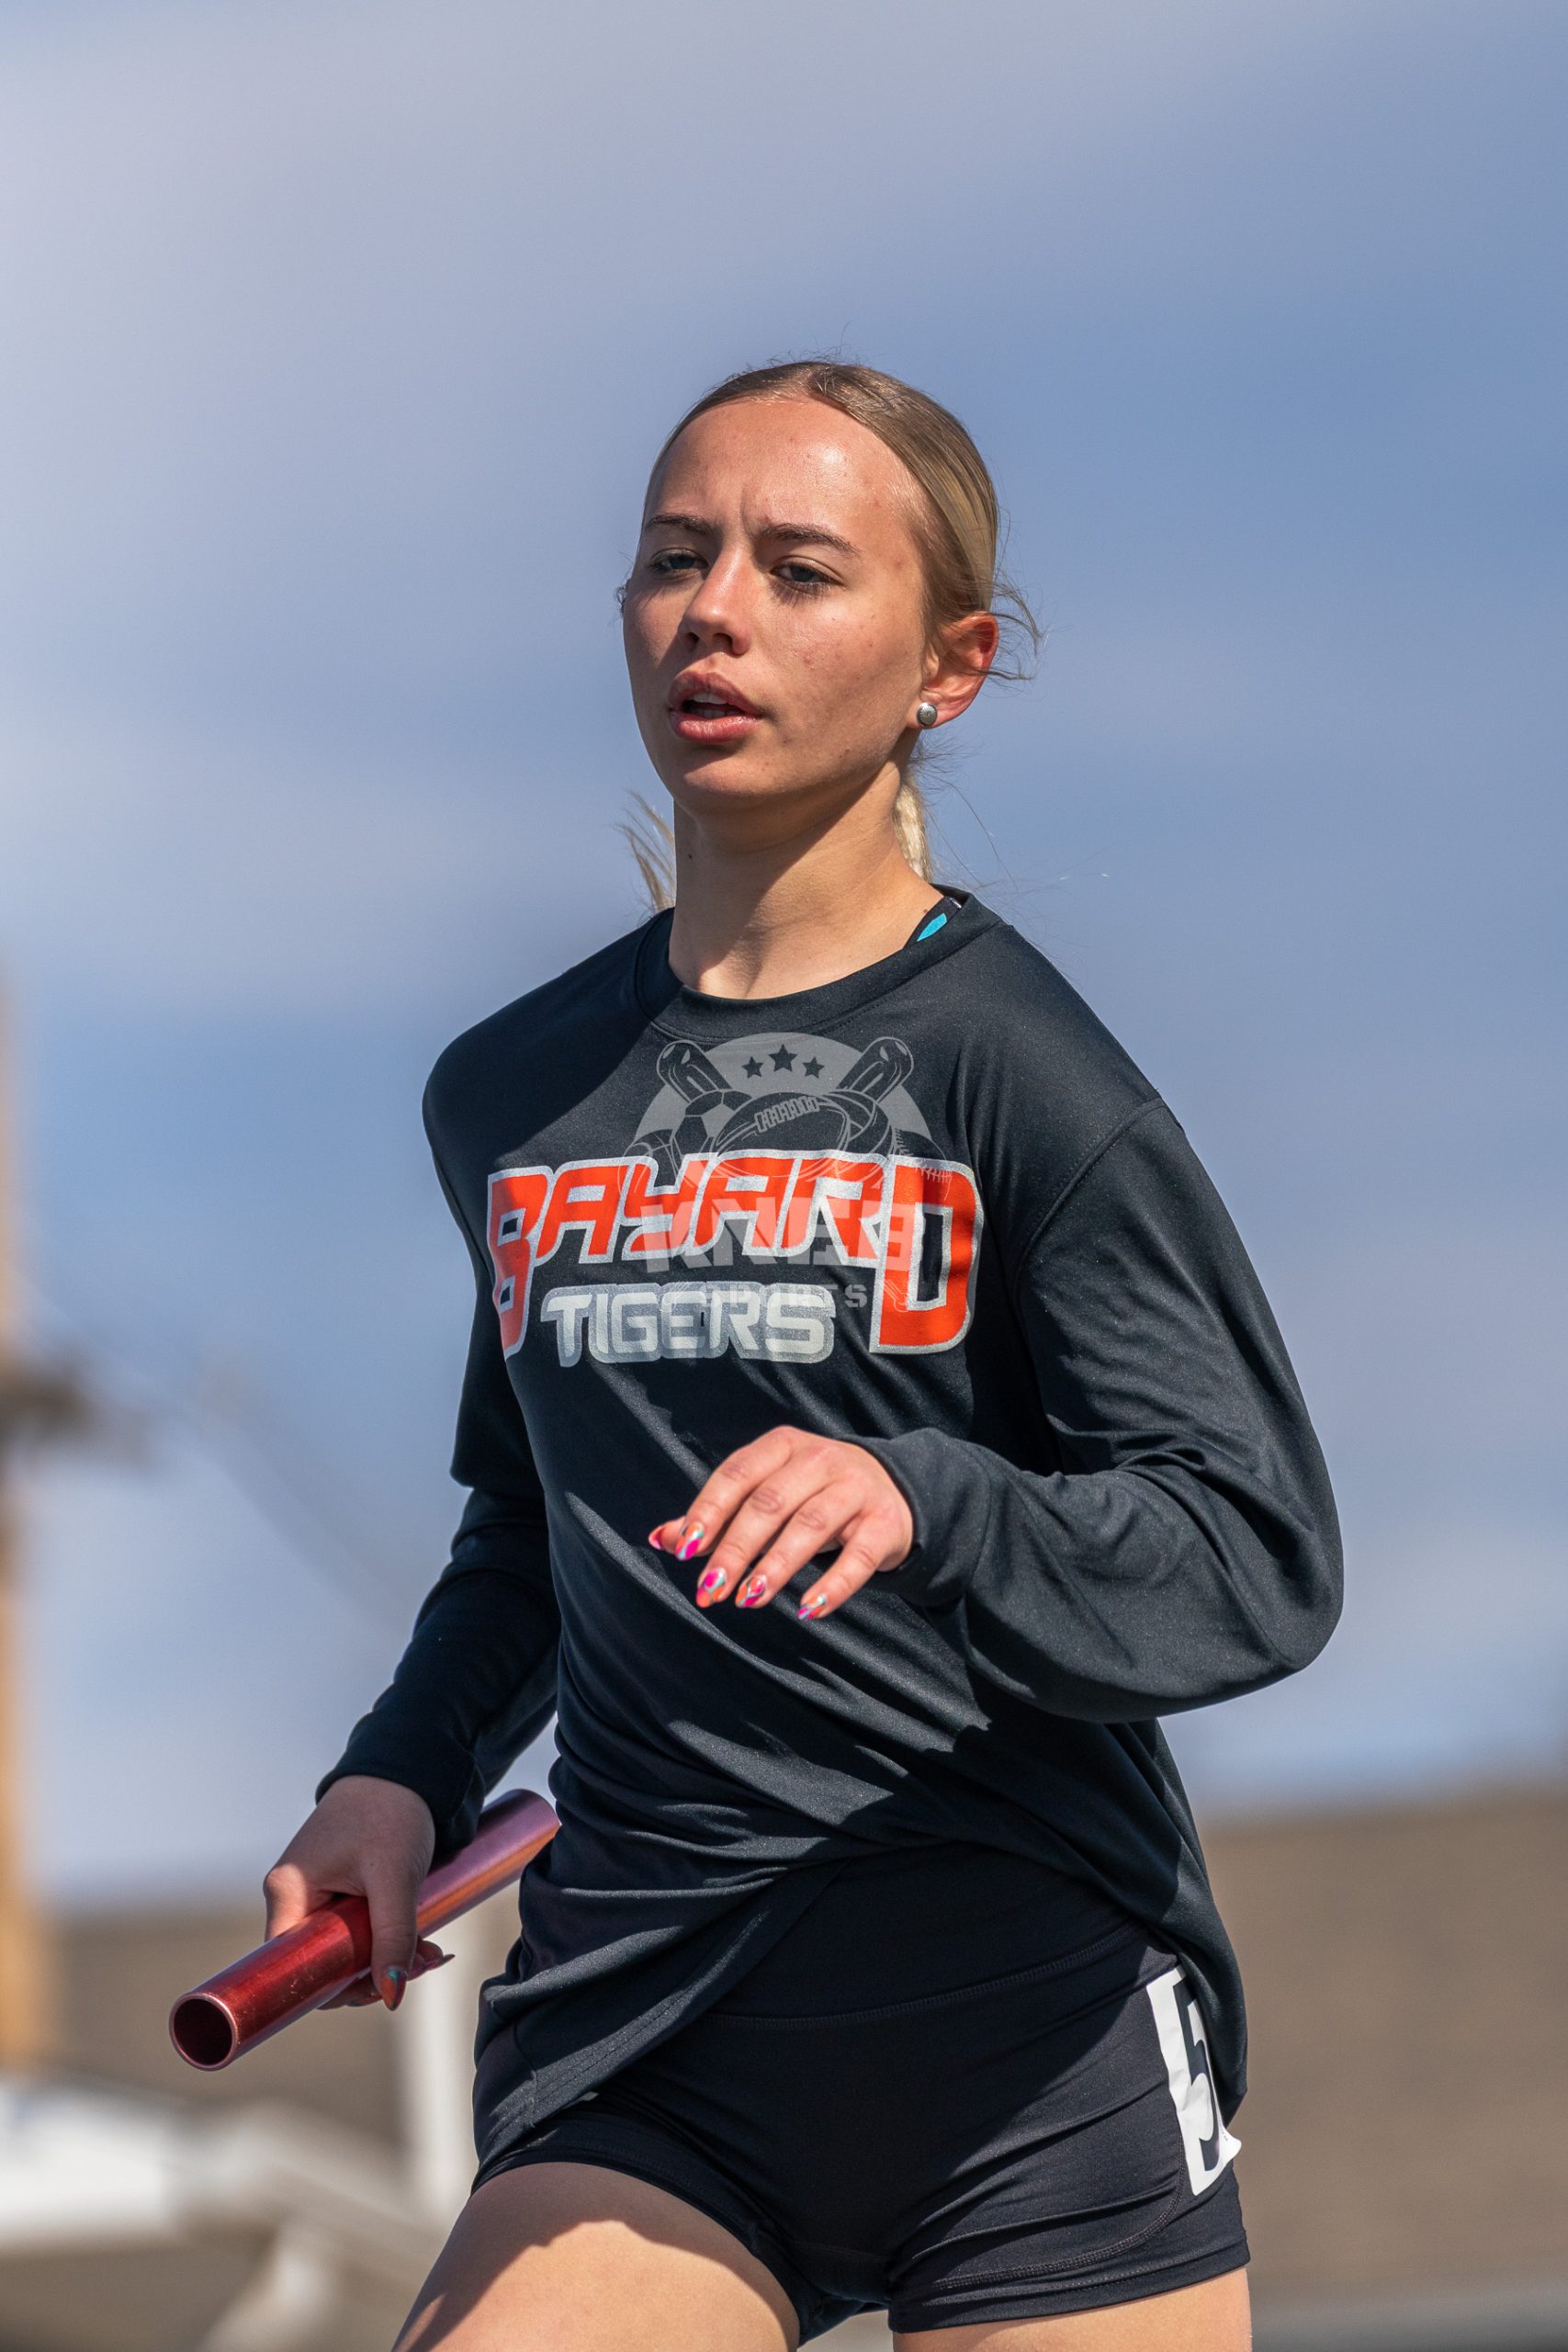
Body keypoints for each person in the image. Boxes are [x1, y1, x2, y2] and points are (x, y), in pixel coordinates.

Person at [264, 360, 1341, 2351]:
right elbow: (536, 1531)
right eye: (676, 557)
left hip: (1028, 2032)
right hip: (652, 2029)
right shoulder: (512, 1094)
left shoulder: (1023, 1068)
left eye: (798, 568)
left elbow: (1250, 1548)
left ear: (951, 665)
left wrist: (927, 1501)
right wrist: (399, 1770)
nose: (716, 612)